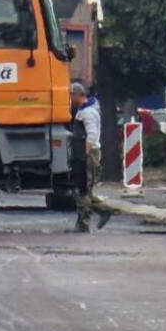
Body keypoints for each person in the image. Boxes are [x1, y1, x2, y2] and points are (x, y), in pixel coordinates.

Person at [71, 81, 102, 232]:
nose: (70, 98)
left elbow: (92, 134)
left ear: (78, 95)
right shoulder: (85, 110)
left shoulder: (87, 112)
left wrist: (85, 153)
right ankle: (102, 211)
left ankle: (84, 223)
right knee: (85, 188)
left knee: (84, 189)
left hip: (88, 154)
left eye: (71, 95)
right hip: (86, 153)